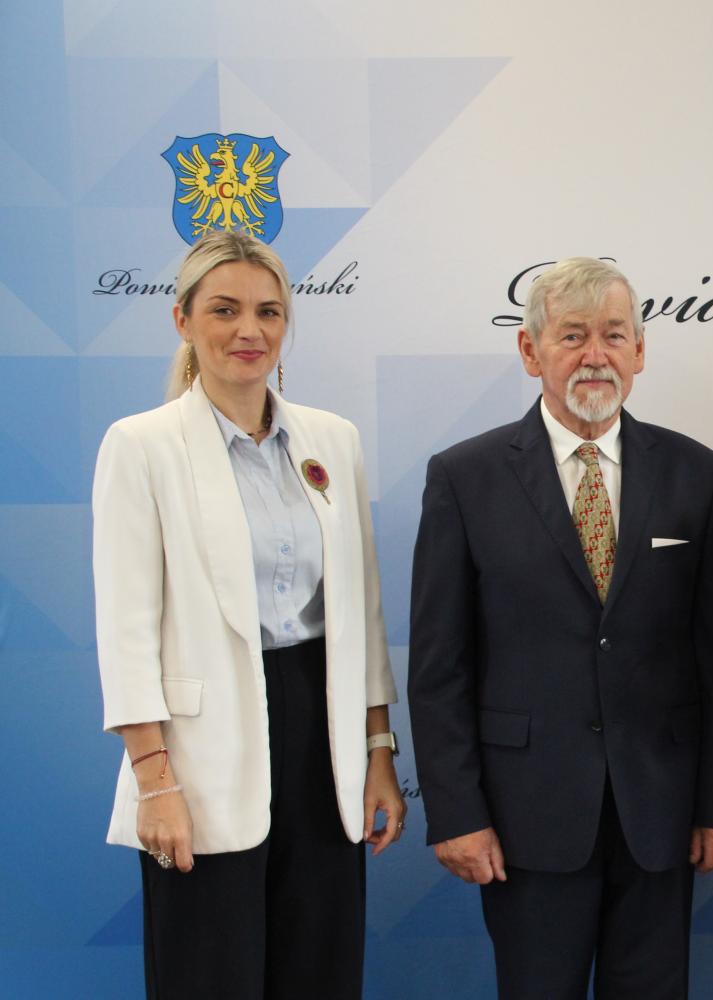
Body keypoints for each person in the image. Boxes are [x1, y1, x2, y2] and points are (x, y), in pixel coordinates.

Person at [407, 256, 713, 1000]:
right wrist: (456, 813)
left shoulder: (696, 473)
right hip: (524, 818)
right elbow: (440, 667)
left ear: (640, 351)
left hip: (660, 815)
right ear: (530, 350)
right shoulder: (464, 477)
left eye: (614, 335)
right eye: (572, 335)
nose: (595, 354)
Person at [91, 230, 405, 999]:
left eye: (268, 311)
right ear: (183, 320)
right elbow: (126, 630)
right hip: (198, 756)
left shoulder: (333, 440)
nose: (249, 330)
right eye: (224, 310)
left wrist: (378, 750)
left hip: (323, 738)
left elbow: (360, 612)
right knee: (210, 976)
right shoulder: (141, 446)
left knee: (320, 973)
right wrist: (154, 783)